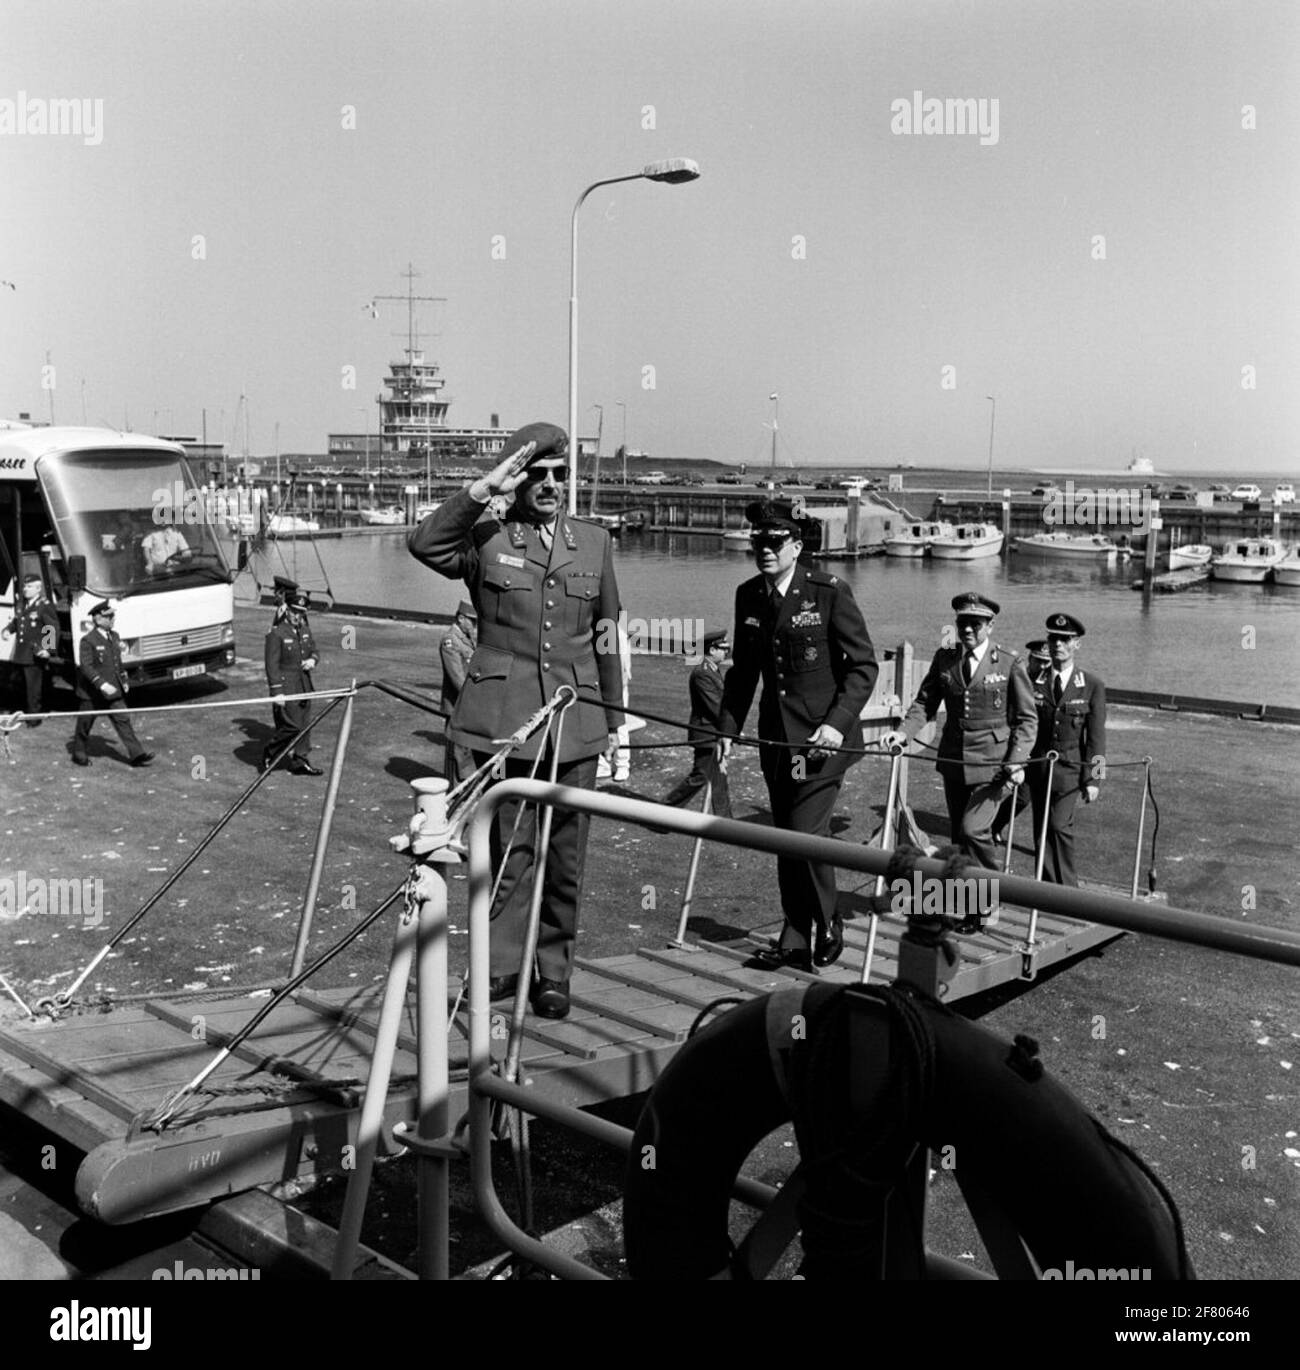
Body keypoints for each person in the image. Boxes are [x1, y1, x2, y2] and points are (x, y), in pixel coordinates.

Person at [408, 422, 623, 1020]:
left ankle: (553, 973)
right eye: (538, 476)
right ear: (519, 480)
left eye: (561, 476)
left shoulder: (596, 543)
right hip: (507, 720)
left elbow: (605, 634)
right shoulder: (488, 537)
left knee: (566, 857)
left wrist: (613, 722)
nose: (551, 486)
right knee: (509, 855)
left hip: (576, 723)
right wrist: (484, 488)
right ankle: (500, 968)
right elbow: (425, 544)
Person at [717, 501, 878, 971]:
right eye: (758, 542)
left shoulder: (828, 591)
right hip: (776, 739)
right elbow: (744, 673)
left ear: (797, 545)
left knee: (807, 833)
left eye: (774, 542)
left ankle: (828, 921)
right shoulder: (748, 595)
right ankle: (793, 935)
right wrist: (727, 729)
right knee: (788, 837)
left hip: (823, 740)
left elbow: (863, 667)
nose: (764, 550)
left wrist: (835, 723)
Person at [885, 592, 1036, 871]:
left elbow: (1027, 719)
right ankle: (963, 899)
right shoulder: (946, 658)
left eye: (975, 623)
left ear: (990, 625)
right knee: (958, 836)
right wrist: (904, 733)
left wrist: (1016, 760)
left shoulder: (1009, 662)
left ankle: (990, 891)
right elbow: (925, 702)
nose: (967, 629)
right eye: (962, 622)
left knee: (973, 829)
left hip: (993, 765)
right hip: (955, 760)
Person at [1028, 612, 1107, 886]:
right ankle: (1047, 888)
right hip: (1037, 768)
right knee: (1040, 831)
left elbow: (1096, 738)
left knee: (1059, 826)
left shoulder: (1092, 686)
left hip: (1070, 771)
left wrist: (1094, 778)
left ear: (1077, 645)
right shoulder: (1032, 681)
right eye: (1053, 638)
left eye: (1065, 639)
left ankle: (1069, 891)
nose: (1057, 644)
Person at [71, 601, 154, 767]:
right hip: (92, 694)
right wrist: (101, 684)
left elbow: (117, 663)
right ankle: (79, 752)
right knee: (85, 723)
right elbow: (86, 666)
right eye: (108, 617)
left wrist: (123, 680)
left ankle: (137, 754)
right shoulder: (88, 640)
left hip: (113, 691)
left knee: (123, 720)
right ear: (98, 619)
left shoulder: (114, 636)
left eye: (112, 616)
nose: (112, 619)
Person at [661, 629, 733, 819]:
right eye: (723, 649)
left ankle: (725, 821)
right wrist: (732, 728)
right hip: (705, 733)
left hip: (712, 733)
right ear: (712, 649)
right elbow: (715, 707)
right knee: (699, 777)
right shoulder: (703, 674)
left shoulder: (713, 671)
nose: (726, 652)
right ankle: (662, 812)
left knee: (718, 777)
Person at [992, 638, 1052, 844]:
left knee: (1044, 802)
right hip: (1018, 749)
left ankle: (1045, 845)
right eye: (1038, 661)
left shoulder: (1050, 685)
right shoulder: (1017, 676)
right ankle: (994, 826)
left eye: (1046, 662)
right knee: (1021, 798)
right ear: (1030, 658)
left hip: (1041, 752)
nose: (1042, 666)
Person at [262, 576, 323, 776]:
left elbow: (314, 650)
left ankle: (300, 760)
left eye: (302, 613)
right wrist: (276, 692)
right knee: (292, 725)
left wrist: (313, 660)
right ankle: (271, 752)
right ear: (287, 610)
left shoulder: (304, 630)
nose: (298, 616)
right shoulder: (277, 633)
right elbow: (271, 664)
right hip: (287, 685)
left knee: (305, 725)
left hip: (304, 684)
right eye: (295, 612)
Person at [3, 574, 59, 724]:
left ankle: (33, 718)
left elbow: (51, 627)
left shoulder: (44, 605)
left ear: (38, 588)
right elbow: (17, 622)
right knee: (17, 684)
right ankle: (19, 714)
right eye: (24, 586)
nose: (25, 589)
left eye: (29, 587)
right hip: (21, 652)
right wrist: (7, 630)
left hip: (34, 653)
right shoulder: (23, 604)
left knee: (33, 688)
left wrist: (48, 649)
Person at [439, 599, 478, 784]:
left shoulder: (466, 637)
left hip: (466, 703)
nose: (474, 625)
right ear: (461, 618)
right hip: (457, 703)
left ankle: (464, 784)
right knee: (457, 750)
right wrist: (474, 699)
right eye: (472, 621)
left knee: (465, 749)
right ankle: (454, 789)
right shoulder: (450, 641)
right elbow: (457, 677)